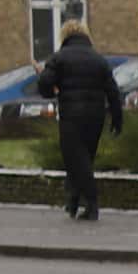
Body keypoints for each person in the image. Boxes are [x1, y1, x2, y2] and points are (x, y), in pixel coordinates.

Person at [40, 20, 124, 220]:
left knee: (75, 159)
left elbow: (44, 85)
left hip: (71, 116)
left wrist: (51, 88)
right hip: (96, 117)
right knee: (84, 158)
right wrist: (117, 118)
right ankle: (73, 201)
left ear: (64, 36)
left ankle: (92, 203)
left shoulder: (59, 59)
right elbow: (113, 91)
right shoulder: (99, 60)